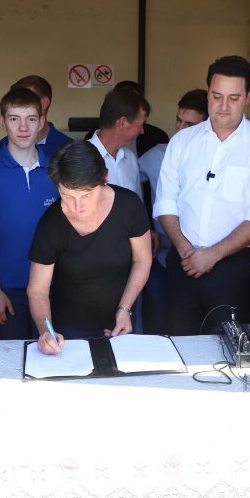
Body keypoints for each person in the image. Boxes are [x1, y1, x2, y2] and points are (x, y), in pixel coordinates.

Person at [153, 55, 250, 334]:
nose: (223, 107)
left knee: (230, 354)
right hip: (182, 263)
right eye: (216, 96)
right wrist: (185, 249)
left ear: (248, 96)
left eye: (234, 98)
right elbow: (165, 201)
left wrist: (213, 254)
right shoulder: (181, 142)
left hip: (234, 270)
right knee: (179, 347)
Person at [27, 140, 152, 354]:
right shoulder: (51, 223)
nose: (78, 206)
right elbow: (38, 289)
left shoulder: (129, 206)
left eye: (86, 195)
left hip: (120, 318)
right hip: (67, 327)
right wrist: (46, 331)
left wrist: (125, 309)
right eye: (67, 196)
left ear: (104, 179)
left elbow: (142, 259)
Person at [0, 87, 59, 340]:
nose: (23, 127)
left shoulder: (56, 169)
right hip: (8, 289)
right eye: (14, 119)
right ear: (2, 122)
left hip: (53, 286)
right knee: (12, 359)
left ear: (41, 122)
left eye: (31, 119)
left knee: (52, 357)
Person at [137, 89, 207, 335]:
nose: (180, 128)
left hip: (204, 260)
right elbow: (128, 182)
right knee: (159, 323)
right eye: (179, 120)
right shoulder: (156, 154)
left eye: (190, 123)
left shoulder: (216, 161)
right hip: (160, 256)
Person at [0, 75, 72, 158]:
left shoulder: (68, 148)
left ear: (44, 103)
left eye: (27, 97)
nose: (18, 104)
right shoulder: (4, 144)